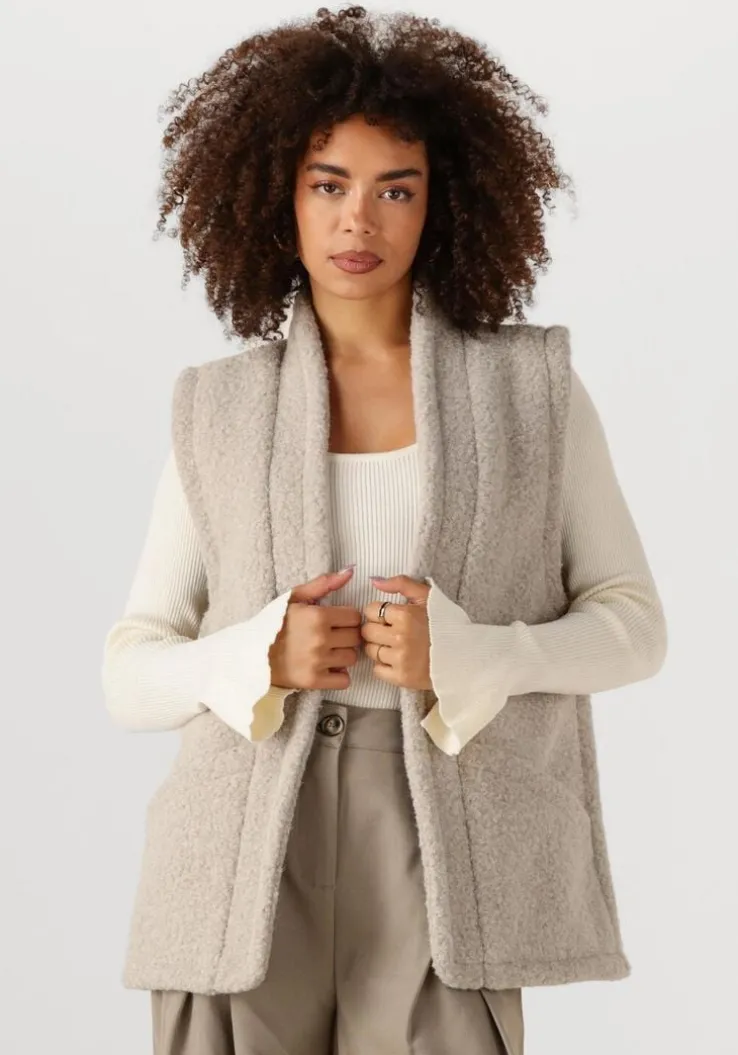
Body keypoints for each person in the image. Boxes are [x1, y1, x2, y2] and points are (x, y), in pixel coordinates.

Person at [101, 7, 668, 1054]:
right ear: (279, 198)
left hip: (444, 842)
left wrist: (477, 654)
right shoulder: (216, 407)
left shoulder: (532, 391)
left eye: (395, 189)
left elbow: (635, 625)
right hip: (239, 856)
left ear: (441, 203)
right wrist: (257, 655)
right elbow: (128, 671)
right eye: (329, 185)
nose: (358, 220)